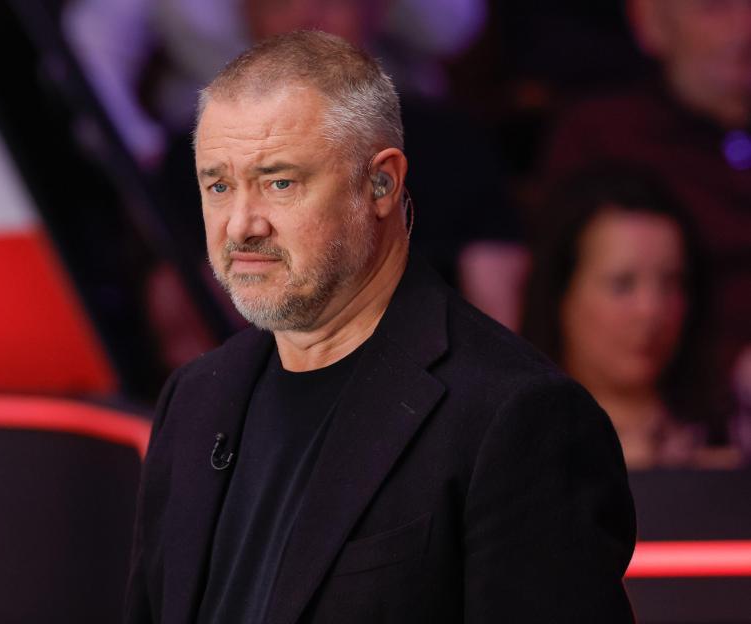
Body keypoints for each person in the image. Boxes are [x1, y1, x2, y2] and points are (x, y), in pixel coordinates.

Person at [124, 31, 635, 623]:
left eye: (279, 182)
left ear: (381, 184)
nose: (241, 225)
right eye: (218, 185)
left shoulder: (516, 415)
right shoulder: (195, 397)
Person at [540, 0, 751, 418]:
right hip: (665, 416)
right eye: (715, 8)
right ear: (651, 22)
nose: (746, 29)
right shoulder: (606, 137)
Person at [522, 167, 739, 469]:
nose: (651, 310)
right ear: (561, 294)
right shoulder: (516, 442)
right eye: (621, 284)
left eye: (671, 282)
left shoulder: (731, 431)